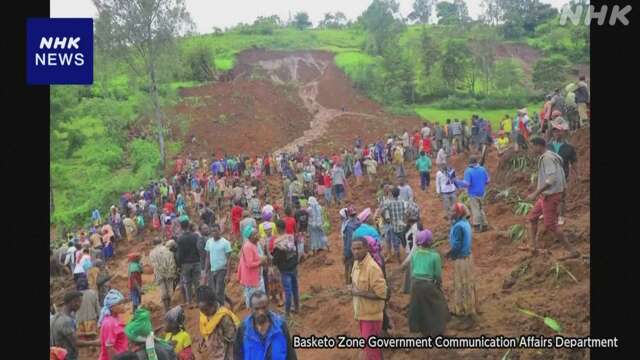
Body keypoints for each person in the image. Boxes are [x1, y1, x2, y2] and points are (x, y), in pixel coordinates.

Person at [525, 137, 580, 258]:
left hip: (550, 195)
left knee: (550, 225)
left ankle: (572, 251)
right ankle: (534, 247)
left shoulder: (547, 158)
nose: (531, 149)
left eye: (532, 146)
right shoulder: (550, 155)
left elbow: (551, 180)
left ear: (539, 146)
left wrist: (535, 193)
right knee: (533, 218)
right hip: (547, 195)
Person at [400, 229, 449, 336]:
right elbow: (437, 275)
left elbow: (412, 270)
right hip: (428, 284)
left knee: (418, 307)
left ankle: (420, 330)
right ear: (430, 241)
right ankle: (436, 331)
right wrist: (439, 286)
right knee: (437, 305)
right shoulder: (435, 256)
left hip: (415, 285)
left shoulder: (415, 254)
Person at [350, 237, 387, 360]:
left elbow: (382, 294)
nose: (356, 251)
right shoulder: (356, 264)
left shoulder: (373, 268)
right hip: (362, 314)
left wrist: (358, 292)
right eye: (354, 248)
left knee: (372, 350)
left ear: (366, 248)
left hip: (371, 317)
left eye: (359, 248)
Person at [234, 290, 297, 360]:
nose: (261, 312)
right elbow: (237, 355)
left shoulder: (281, 326)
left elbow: (290, 354)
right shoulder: (243, 329)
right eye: (256, 309)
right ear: (251, 309)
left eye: (263, 308)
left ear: (268, 306)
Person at [446, 203, 477, 326]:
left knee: (462, 285)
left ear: (459, 213)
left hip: (461, 260)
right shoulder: (465, 223)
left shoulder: (458, 227)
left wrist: (448, 254)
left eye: (453, 211)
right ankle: (467, 309)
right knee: (468, 284)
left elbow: (457, 245)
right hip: (468, 257)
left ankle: (466, 313)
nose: (450, 212)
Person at [51, 291, 100, 360]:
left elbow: (67, 334)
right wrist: (95, 342)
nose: (80, 305)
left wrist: (86, 334)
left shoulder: (57, 316)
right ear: (74, 302)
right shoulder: (66, 321)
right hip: (66, 357)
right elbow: (76, 342)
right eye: (80, 302)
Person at [196, 286, 239, 360]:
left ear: (213, 304)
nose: (204, 313)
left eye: (206, 310)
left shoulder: (224, 317)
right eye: (202, 311)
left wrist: (215, 342)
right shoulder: (204, 313)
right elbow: (205, 328)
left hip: (225, 350)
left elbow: (232, 338)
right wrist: (203, 339)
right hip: (214, 350)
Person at [548, 122, 578, 226]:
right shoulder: (548, 146)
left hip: (563, 175)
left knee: (561, 197)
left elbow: (573, 161)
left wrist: (576, 174)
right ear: (552, 132)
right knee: (548, 195)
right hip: (549, 175)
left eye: (559, 131)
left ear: (563, 132)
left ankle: (561, 216)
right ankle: (550, 213)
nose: (557, 133)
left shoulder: (569, 147)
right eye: (555, 130)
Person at [272, 220, 300, 317]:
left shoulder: (277, 242)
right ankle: (297, 307)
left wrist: (273, 262)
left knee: (287, 291)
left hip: (284, 270)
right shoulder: (291, 237)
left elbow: (276, 259)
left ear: (278, 229)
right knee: (295, 288)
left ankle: (287, 312)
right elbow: (296, 251)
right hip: (294, 266)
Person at [237, 226, 267, 308]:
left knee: (260, 298)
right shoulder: (248, 246)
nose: (258, 235)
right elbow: (249, 264)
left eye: (257, 232)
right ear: (250, 237)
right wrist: (261, 262)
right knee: (254, 301)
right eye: (255, 234)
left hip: (257, 276)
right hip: (251, 279)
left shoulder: (255, 244)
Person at [204, 223, 233, 306]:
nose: (214, 233)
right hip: (212, 270)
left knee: (218, 291)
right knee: (214, 291)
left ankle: (221, 309)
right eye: (212, 231)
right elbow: (207, 257)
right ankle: (229, 302)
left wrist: (228, 274)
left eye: (216, 231)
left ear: (220, 231)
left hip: (222, 270)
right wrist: (205, 272)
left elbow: (229, 259)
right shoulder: (209, 242)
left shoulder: (225, 243)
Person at [177, 219, 202, 307]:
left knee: (187, 283)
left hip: (186, 264)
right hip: (196, 261)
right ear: (188, 226)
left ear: (181, 227)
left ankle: (190, 302)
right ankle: (199, 301)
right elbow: (199, 249)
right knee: (197, 283)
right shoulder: (195, 236)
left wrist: (179, 266)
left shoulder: (180, 238)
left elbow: (179, 254)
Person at [98, 289, 129, 360]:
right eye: (120, 303)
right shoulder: (109, 323)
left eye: (123, 303)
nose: (123, 305)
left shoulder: (116, 318)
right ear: (112, 307)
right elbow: (109, 348)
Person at [462, 156, 490, 232]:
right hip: (482, 192)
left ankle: (477, 226)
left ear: (470, 163)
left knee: (475, 209)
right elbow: (487, 181)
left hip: (473, 193)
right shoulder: (483, 169)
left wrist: (459, 183)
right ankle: (485, 224)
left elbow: (467, 184)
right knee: (481, 208)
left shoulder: (468, 171)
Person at [149, 238, 178, 313]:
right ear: (161, 242)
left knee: (163, 291)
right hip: (169, 273)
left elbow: (153, 265)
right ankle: (170, 306)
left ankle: (166, 309)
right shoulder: (167, 250)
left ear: (153, 244)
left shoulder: (152, 253)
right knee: (170, 290)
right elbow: (172, 262)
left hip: (159, 274)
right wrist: (172, 272)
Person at [379, 187, 406, 264]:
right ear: (399, 193)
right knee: (403, 243)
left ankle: (399, 262)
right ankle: (405, 258)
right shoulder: (402, 202)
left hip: (393, 226)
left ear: (392, 194)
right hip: (402, 225)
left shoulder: (389, 203)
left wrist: (386, 218)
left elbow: (381, 211)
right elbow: (406, 211)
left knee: (396, 244)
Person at [76, 273, 101, 341]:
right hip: (92, 321)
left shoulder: (76, 296)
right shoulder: (93, 293)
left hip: (80, 322)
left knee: (83, 344)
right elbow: (98, 308)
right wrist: (100, 318)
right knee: (93, 342)